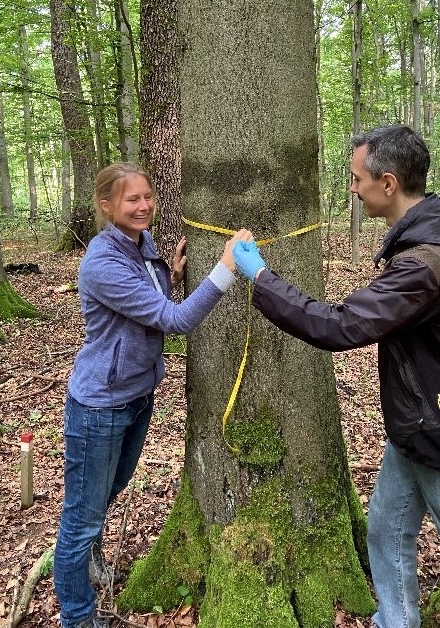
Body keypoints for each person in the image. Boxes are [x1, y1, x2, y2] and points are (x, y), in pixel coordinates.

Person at [232, 125, 440, 628]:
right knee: (385, 529)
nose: (352, 190)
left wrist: (263, 278)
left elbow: (341, 325)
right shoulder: (427, 237)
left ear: (387, 183)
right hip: (420, 433)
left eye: (357, 180)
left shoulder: (427, 260)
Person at [54, 162, 252, 628]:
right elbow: (176, 322)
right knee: (80, 520)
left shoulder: (143, 244)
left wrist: (173, 278)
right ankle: (78, 617)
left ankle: (87, 550)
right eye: (131, 200)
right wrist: (225, 268)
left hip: (138, 394)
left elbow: (150, 302)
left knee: (110, 490)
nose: (144, 207)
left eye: (148, 196)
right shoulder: (102, 260)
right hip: (101, 404)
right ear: (106, 206)